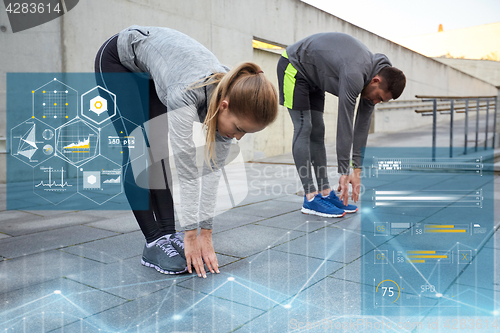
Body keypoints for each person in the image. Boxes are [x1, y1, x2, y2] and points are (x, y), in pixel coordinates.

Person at [95, 25, 278, 278]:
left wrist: (206, 233)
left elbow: (212, 172)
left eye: (245, 133)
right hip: (119, 60)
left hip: (156, 70)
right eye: (238, 128)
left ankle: (169, 233)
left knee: (157, 149)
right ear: (223, 106)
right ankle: (153, 242)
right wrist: (191, 233)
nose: (237, 137)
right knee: (140, 149)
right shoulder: (187, 93)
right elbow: (187, 168)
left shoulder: (233, 96)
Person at [277, 32, 406, 217]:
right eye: (378, 97)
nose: (376, 101)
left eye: (381, 101)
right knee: (304, 126)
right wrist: (344, 171)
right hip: (293, 66)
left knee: (318, 130)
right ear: (375, 81)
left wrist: (357, 170)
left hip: (314, 78)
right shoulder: (355, 74)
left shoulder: (376, 78)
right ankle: (310, 197)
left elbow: (361, 126)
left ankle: (324, 192)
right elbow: (345, 123)